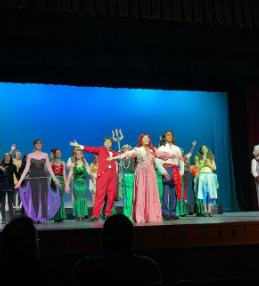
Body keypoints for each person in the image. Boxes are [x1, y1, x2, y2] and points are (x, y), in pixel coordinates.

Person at [108, 134, 182, 223]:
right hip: (141, 172)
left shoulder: (152, 150)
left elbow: (162, 155)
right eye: (144, 138)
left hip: (150, 172)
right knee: (141, 192)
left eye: (148, 138)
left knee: (151, 192)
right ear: (141, 140)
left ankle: (151, 215)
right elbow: (127, 154)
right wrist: (115, 157)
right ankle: (141, 215)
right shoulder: (138, 150)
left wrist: (176, 156)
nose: (146, 140)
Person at [72, 214, 162, 286]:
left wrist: (101, 249)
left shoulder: (85, 267)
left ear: (103, 238)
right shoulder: (147, 267)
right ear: (132, 239)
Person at [69, 137, 124, 222]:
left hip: (112, 175)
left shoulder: (113, 152)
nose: (108, 143)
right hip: (103, 174)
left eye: (109, 142)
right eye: (106, 142)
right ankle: (95, 215)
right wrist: (79, 146)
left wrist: (134, 151)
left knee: (111, 195)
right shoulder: (100, 150)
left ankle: (108, 214)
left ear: (112, 144)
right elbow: (90, 149)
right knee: (99, 195)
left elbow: (122, 154)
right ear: (104, 143)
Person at [15, 139, 61, 223]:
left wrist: (55, 179)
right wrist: (20, 180)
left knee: (42, 198)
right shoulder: (30, 155)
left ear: (42, 145)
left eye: (40, 143)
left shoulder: (45, 155)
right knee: (33, 198)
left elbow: (49, 168)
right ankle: (34, 216)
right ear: (34, 145)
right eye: (37, 143)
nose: (39, 144)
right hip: (32, 179)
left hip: (42, 179)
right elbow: (26, 169)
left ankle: (41, 217)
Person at [158, 130, 184, 220]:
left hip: (175, 170)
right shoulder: (161, 148)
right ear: (165, 137)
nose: (170, 136)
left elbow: (181, 160)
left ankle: (173, 212)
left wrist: (181, 172)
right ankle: (165, 212)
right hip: (166, 169)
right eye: (168, 135)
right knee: (166, 192)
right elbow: (157, 160)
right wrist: (163, 171)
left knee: (174, 192)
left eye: (171, 135)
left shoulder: (176, 148)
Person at [66, 150, 91, 221]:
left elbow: (89, 173)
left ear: (82, 155)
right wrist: (67, 185)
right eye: (77, 154)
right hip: (76, 183)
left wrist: (95, 179)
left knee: (82, 199)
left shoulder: (85, 164)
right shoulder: (73, 164)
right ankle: (78, 215)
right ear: (75, 155)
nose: (79, 155)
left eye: (80, 153)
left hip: (83, 183)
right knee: (77, 199)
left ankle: (83, 215)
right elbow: (70, 175)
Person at [194, 145, 218, 217]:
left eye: (205, 148)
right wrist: (204, 163)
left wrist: (209, 163)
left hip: (209, 175)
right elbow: (197, 167)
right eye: (202, 148)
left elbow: (214, 168)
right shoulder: (197, 157)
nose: (203, 149)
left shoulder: (210, 157)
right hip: (202, 175)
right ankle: (205, 210)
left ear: (207, 149)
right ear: (200, 150)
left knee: (210, 192)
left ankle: (210, 211)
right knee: (203, 193)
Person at [0, 153, 20, 224]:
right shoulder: (0, 165)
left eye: (9, 156)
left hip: (10, 185)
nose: (8, 157)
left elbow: (17, 175)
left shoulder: (13, 166)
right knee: (3, 203)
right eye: (7, 156)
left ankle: (11, 220)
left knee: (10, 203)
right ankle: (3, 219)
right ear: (4, 157)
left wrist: (20, 181)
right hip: (2, 186)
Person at [50, 149, 67, 222]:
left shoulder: (63, 162)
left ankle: (61, 216)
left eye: (59, 152)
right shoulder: (52, 162)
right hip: (54, 180)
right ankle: (56, 216)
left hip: (61, 180)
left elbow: (64, 174)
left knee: (60, 198)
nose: (58, 153)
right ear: (54, 154)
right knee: (55, 198)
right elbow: (49, 171)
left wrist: (66, 184)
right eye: (57, 152)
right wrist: (50, 158)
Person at [120, 144, 136, 219]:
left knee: (130, 196)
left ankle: (130, 213)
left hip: (132, 178)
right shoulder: (121, 159)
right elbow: (119, 171)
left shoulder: (133, 158)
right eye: (125, 150)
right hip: (124, 178)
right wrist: (120, 179)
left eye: (128, 149)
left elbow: (135, 168)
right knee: (125, 196)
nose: (126, 151)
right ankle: (126, 212)